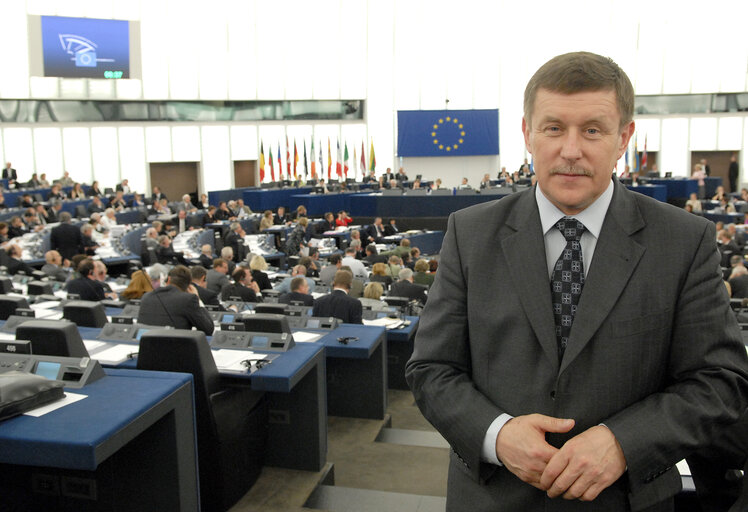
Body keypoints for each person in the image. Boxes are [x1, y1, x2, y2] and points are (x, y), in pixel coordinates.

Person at [405, 51, 748, 512]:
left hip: (625, 500)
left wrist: (623, 443)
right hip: (491, 497)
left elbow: (719, 381)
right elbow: (431, 370)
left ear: (624, 136)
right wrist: (498, 435)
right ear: (528, 134)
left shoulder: (684, 241)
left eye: (592, 129)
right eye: (553, 128)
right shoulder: (470, 234)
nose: (570, 150)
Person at [137, 265, 214, 335]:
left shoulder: (146, 297)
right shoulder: (189, 299)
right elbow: (208, 329)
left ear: (168, 279)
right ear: (189, 285)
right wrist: (198, 299)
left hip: (147, 347)